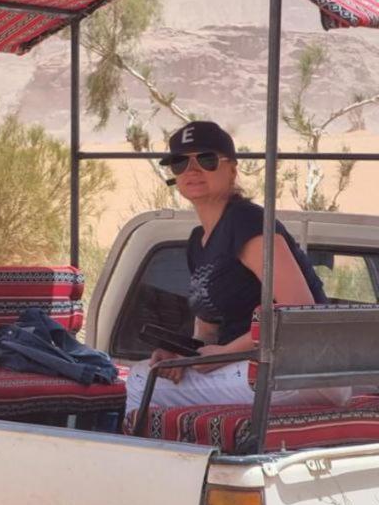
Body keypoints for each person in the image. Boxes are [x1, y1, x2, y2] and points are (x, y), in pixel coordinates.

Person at [125, 120, 348, 413]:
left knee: (140, 380)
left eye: (206, 159)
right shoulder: (198, 242)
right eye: (180, 163)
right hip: (257, 367)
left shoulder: (246, 222)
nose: (192, 170)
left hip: (298, 370)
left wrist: (225, 354)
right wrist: (180, 356)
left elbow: (298, 311)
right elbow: (208, 332)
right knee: (154, 372)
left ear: (232, 169)